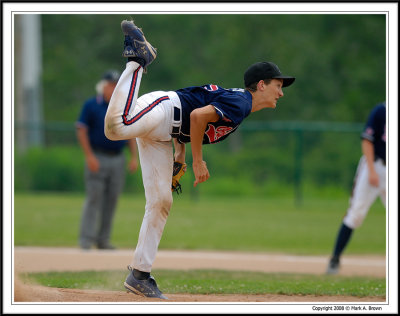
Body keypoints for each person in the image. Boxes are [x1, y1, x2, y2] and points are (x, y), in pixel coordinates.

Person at [104, 20, 295, 299]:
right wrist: (197, 161)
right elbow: (196, 116)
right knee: (116, 127)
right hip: (165, 110)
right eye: (278, 85)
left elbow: (195, 121)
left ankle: (139, 275)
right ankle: (139, 61)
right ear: (262, 85)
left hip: (165, 134)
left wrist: (180, 155)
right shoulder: (241, 103)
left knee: (161, 202)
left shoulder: (240, 106)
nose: (281, 91)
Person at [76, 70, 138, 250]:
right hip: (98, 156)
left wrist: (133, 157)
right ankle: (86, 240)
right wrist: (89, 156)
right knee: (94, 198)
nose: (114, 88)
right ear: (103, 86)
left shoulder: (122, 107)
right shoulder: (91, 105)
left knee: (112, 199)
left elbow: (130, 133)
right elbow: (81, 130)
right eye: (111, 85)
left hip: (118, 158)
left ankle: (103, 240)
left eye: (116, 85)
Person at [326, 102, 386, 275]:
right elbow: (367, 141)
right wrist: (372, 171)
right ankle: (335, 260)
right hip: (373, 166)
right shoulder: (381, 111)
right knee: (356, 213)